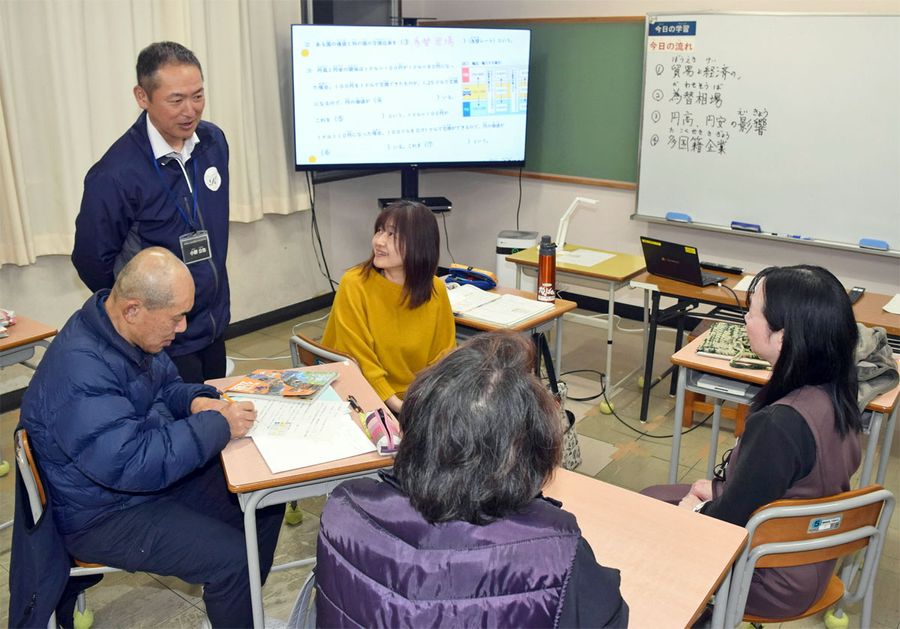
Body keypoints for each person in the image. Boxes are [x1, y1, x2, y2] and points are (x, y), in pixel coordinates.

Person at [18, 247, 283, 628]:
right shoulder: (80, 369)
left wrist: (194, 404)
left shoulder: (126, 333)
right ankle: (235, 596)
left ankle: (237, 608)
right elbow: (131, 463)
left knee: (264, 502)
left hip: (135, 484)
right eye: (176, 318)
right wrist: (217, 426)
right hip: (102, 513)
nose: (183, 328)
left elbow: (166, 388)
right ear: (132, 309)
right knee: (232, 561)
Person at [310, 331, 629, 627]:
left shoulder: (344, 507)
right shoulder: (553, 550)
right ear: (529, 452)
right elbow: (611, 614)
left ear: (415, 428)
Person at [643, 264, 862, 618]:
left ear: (783, 337)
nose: (745, 320)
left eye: (752, 311)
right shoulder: (837, 391)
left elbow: (727, 523)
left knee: (639, 522)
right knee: (654, 497)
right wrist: (719, 490)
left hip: (769, 577)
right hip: (810, 553)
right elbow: (779, 488)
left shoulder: (781, 424)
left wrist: (696, 512)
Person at [72, 41, 230, 383]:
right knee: (181, 425)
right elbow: (91, 259)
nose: (191, 110)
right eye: (176, 100)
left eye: (198, 95)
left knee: (219, 414)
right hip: (164, 342)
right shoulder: (115, 174)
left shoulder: (213, 143)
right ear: (142, 97)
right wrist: (143, 313)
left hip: (213, 322)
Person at [321, 200, 455, 413]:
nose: (380, 241)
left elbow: (443, 357)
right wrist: (402, 410)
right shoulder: (354, 284)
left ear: (419, 244)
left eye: (392, 235)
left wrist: (426, 405)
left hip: (414, 399)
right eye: (380, 231)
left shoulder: (436, 288)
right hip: (360, 395)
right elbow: (361, 363)